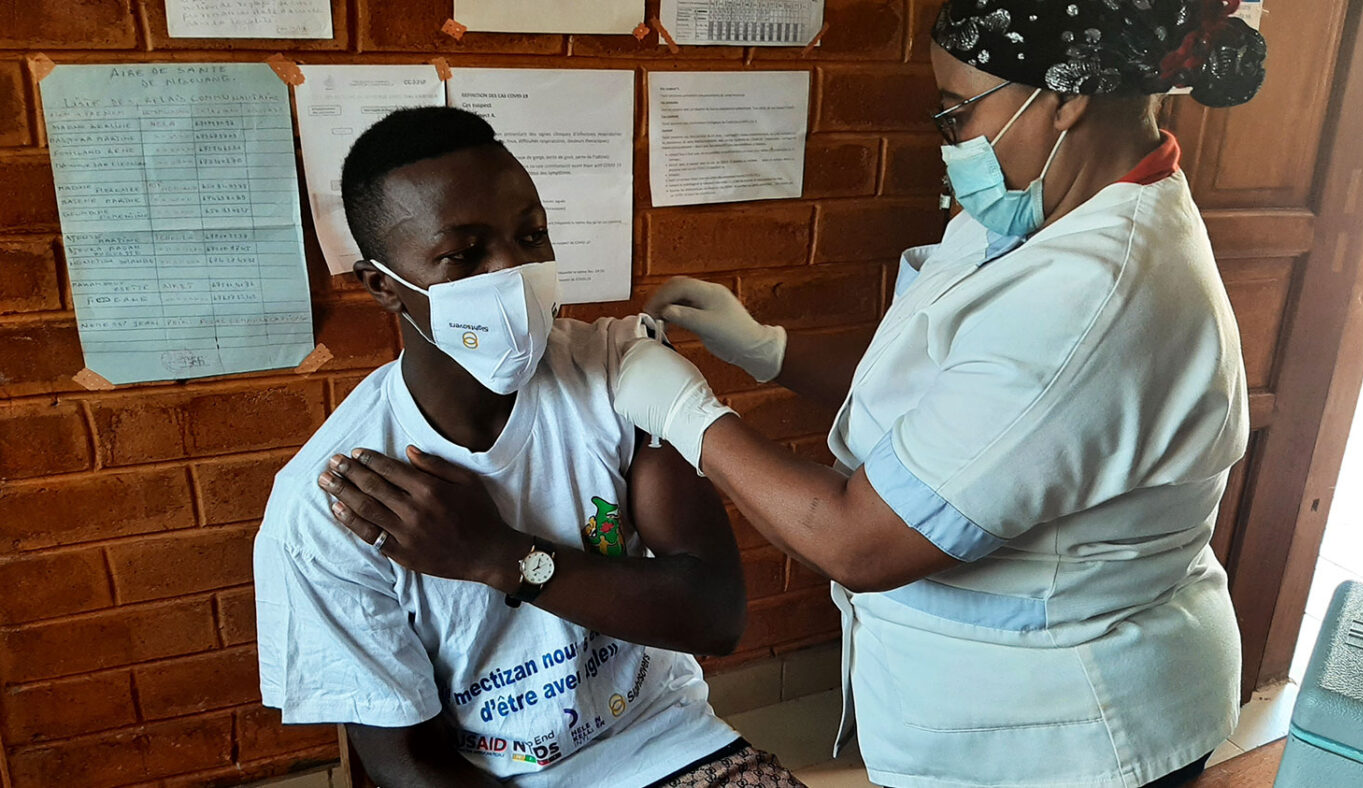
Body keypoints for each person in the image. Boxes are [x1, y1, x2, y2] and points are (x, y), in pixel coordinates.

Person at [606, 1, 1268, 786]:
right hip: (982, 711)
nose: (950, 141)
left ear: (1065, 96)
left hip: (1069, 737)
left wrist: (687, 415)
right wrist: (769, 352)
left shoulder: (1093, 294)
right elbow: (945, 394)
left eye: (957, 112)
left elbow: (860, 543)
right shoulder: (1031, 214)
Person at [253, 106, 803, 788]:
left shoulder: (620, 376)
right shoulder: (328, 506)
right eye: (466, 253)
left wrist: (500, 557)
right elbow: (407, 763)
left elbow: (716, 616)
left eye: (531, 235)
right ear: (383, 287)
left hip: (665, 742)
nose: (514, 272)